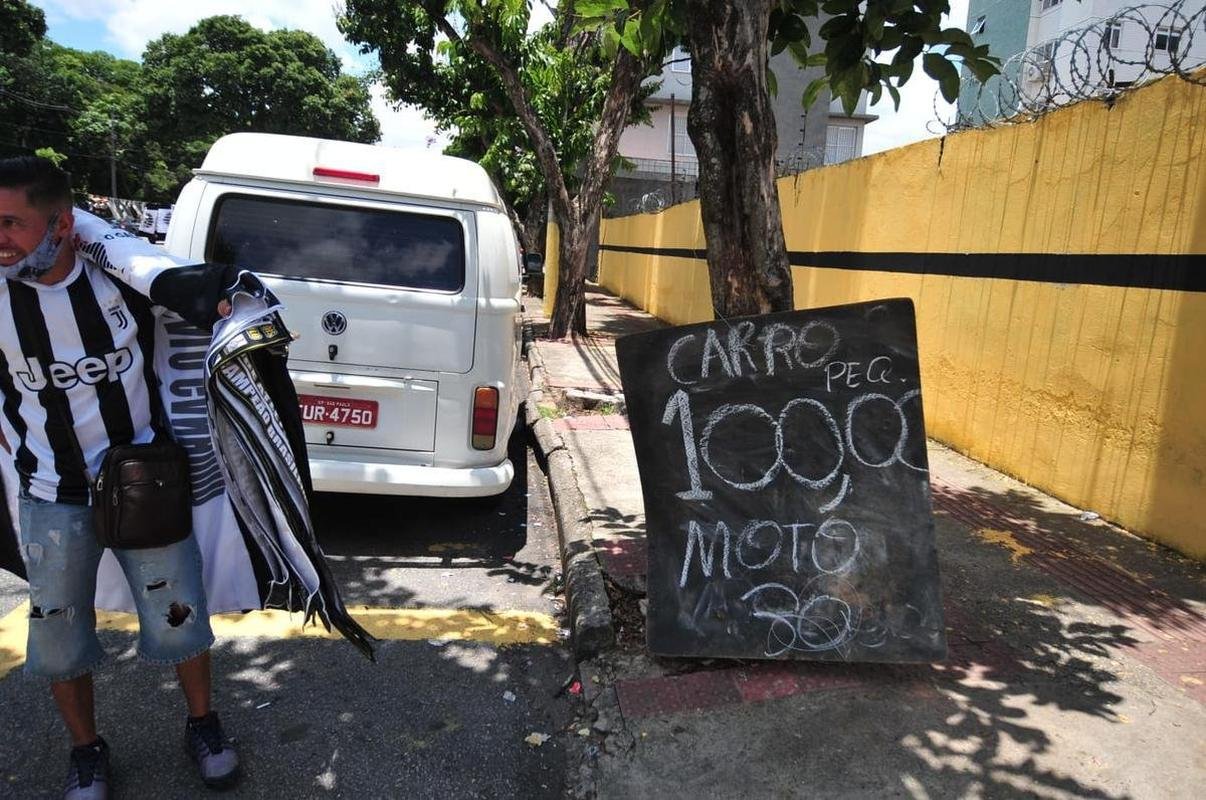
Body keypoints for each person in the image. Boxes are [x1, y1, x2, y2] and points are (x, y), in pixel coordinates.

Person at [0, 156, 238, 798]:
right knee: (57, 636)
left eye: (12, 224)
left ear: (61, 223)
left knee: (179, 617)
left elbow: (197, 320)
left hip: (144, 484)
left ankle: (203, 724)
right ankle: (87, 751)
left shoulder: (125, 285)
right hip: (50, 497)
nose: (1, 239)